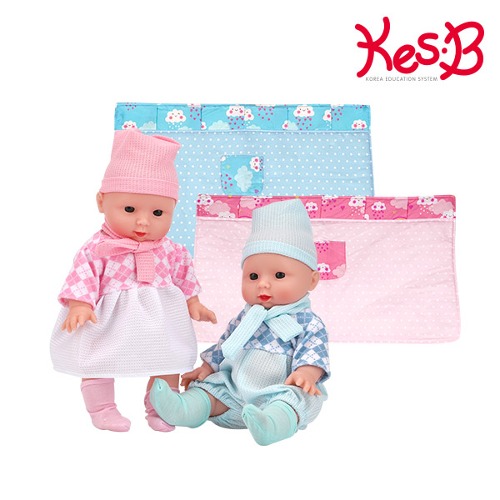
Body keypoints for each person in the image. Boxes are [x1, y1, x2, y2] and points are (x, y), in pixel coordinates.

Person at [50, 128, 216, 432]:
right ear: (101, 202)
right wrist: (80, 305)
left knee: (169, 360)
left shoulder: (172, 250)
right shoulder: (98, 247)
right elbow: (82, 276)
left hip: (162, 321)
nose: (143, 221)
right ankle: (102, 409)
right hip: (109, 320)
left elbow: (184, 276)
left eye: (158, 212)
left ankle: (161, 407)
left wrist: (194, 302)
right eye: (129, 209)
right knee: (98, 359)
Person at [150, 199, 330, 445]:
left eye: (279, 275)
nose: (262, 284)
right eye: (253, 276)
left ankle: (272, 424)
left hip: (279, 388)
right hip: (235, 390)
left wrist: (306, 373)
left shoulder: (308, 323)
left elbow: (314, 352)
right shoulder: (246, 318)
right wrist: (207, 368)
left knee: (297, 399)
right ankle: (185, 408)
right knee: (211, 389)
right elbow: (225, 345)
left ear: (311, 281)